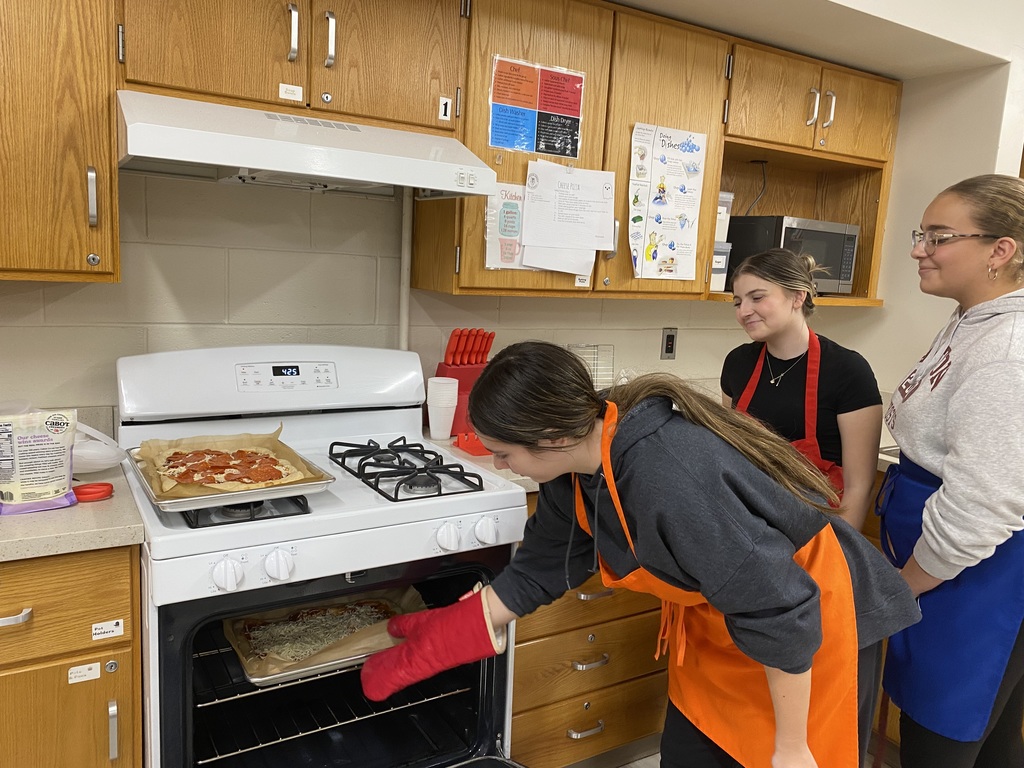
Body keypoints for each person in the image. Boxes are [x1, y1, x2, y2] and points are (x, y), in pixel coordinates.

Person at [362, 340, 919, 768]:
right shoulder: (576, 472)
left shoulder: (668, 475)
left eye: (504, 454)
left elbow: (780, 612)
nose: (501, 466)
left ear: (551, 435)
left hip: (811, 626)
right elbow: (537, 575)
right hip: (728, 622)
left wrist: (793, 748)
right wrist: (441, 638)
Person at [877, 173, 1024, 768]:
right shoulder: (971, 320)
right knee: (990, 739)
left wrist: (907, 584)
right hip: (939, 567)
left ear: (1000, 250)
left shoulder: (1006, 350)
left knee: (945, 737)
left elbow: (982, 504)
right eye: (922, 234)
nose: (918, 249)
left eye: (938, 237)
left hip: (968, 577)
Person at [721, 248, 883, 532]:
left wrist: (842, 552)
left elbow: (860, 485)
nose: (744, 311)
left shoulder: (847, 370)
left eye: (757, 298)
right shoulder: (738, 363)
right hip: (748, 526)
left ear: (798, 296)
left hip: (818, 530)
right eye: (737, 302)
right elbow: (728, 453)